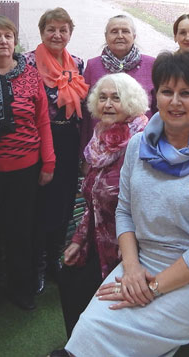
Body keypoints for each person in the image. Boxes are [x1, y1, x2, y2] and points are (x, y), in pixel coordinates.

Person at [64, 51, 189, 356]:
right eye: (167, 91)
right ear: (155, 96)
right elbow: (124, 211)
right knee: (89, 329)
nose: (175, 102)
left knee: (126, 341)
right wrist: (132, 269)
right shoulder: (137, 146)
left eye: (186, 93)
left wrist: (154, 287)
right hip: (141, 263)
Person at [53, 73, 149, 353]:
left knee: (96, 293)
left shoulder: (141, 141)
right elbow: (94, 200)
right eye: (103, 97)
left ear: (130, 102)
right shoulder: (100, 137)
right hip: (98, 237)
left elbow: (144, 205)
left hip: (128, 245)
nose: (107, 104)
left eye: (116, 98)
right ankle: (77, 346)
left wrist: (130, 252)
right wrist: (77, 241)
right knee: (68, 278)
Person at [0, 15, 55, 318]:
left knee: (21, 234)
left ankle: (21, 289)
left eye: (8, 36)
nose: (3, 41)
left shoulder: (30, 75)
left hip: (25, 169)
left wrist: (49, 161)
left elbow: (42, 120)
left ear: (15, 41)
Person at [25, 8, 89, 295]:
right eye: (51, 29)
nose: (57, 35)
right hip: (40, 143)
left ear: (70, 34)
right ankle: (37, 265)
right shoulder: (28, 63)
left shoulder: (77, 64)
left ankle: (54, 260)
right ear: (42, 32)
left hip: (68, 142)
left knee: (64, 205)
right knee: (41, 206)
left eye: (63, 30)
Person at [80, 15, 155, 150]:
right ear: (106, 36)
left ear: (134, 36)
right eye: (114, 31)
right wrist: (83, 150)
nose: (120, 36)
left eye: (125, 31)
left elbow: (158, 109)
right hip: (102, 146)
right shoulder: (93, 66)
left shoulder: (151, 65)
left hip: (141, 145)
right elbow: (86, 113)